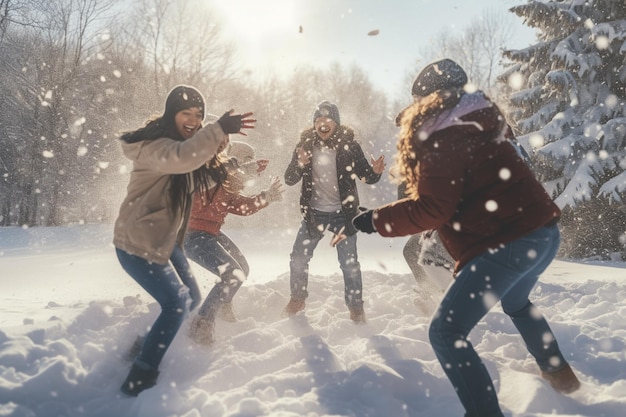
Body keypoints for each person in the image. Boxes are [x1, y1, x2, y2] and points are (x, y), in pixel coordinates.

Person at [352, 59, 580, 417]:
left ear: (427, 101)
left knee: (445, 333)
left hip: (508, 245)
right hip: (543, 235)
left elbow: (433, 209)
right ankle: (561, 376)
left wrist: (374, 220)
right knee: (517, 304)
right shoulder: (482, 123)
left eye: (416, 104)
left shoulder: (442, 136)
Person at [113, 85, 255, 396]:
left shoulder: (179, 147)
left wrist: (232, 165)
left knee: (190, 296)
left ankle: (143, 346)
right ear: (171, 113)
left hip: (164, 242)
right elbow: (181, 160)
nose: (193, 120)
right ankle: (139, 379)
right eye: (186, 113)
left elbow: (194, 175)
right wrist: (217, 129)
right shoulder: (155, 146)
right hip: (137, 242)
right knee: (176, 305)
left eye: (198, 115)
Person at [282, 100, 385, 323]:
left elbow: (365, 175)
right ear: (314, 124)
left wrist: (375, 172)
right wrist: (300, 164)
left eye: (328, 120)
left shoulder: (350, 146)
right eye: (319, 120)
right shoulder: (305, 146)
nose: (323, 124)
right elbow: (289, 179)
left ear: (336, 123)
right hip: (314, 215)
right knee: (298, 258)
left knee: (349, 264)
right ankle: (297, 299)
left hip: (344, 216)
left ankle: (356, 308)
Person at [183, 141, 284, 345]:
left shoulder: (228, 187)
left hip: (211, 233)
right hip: (191, 235)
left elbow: (242, 207)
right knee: (231, 275)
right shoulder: (207, 177)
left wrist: (267, 196)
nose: (248, 168)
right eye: (245, 161)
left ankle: (222, 305)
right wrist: (237, 169)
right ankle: (203, 323)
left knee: (242, 269)